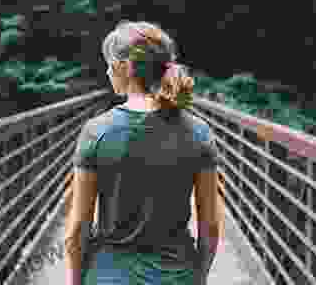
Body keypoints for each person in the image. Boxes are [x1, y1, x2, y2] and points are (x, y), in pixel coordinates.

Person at [65, 20, 223, 285]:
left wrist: (75, 281)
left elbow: (77, 230)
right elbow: (210, 228)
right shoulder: (199, 132)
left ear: (125, 67)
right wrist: (198, 278)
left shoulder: (96, 132)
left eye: (109, 64)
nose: (106, 71)